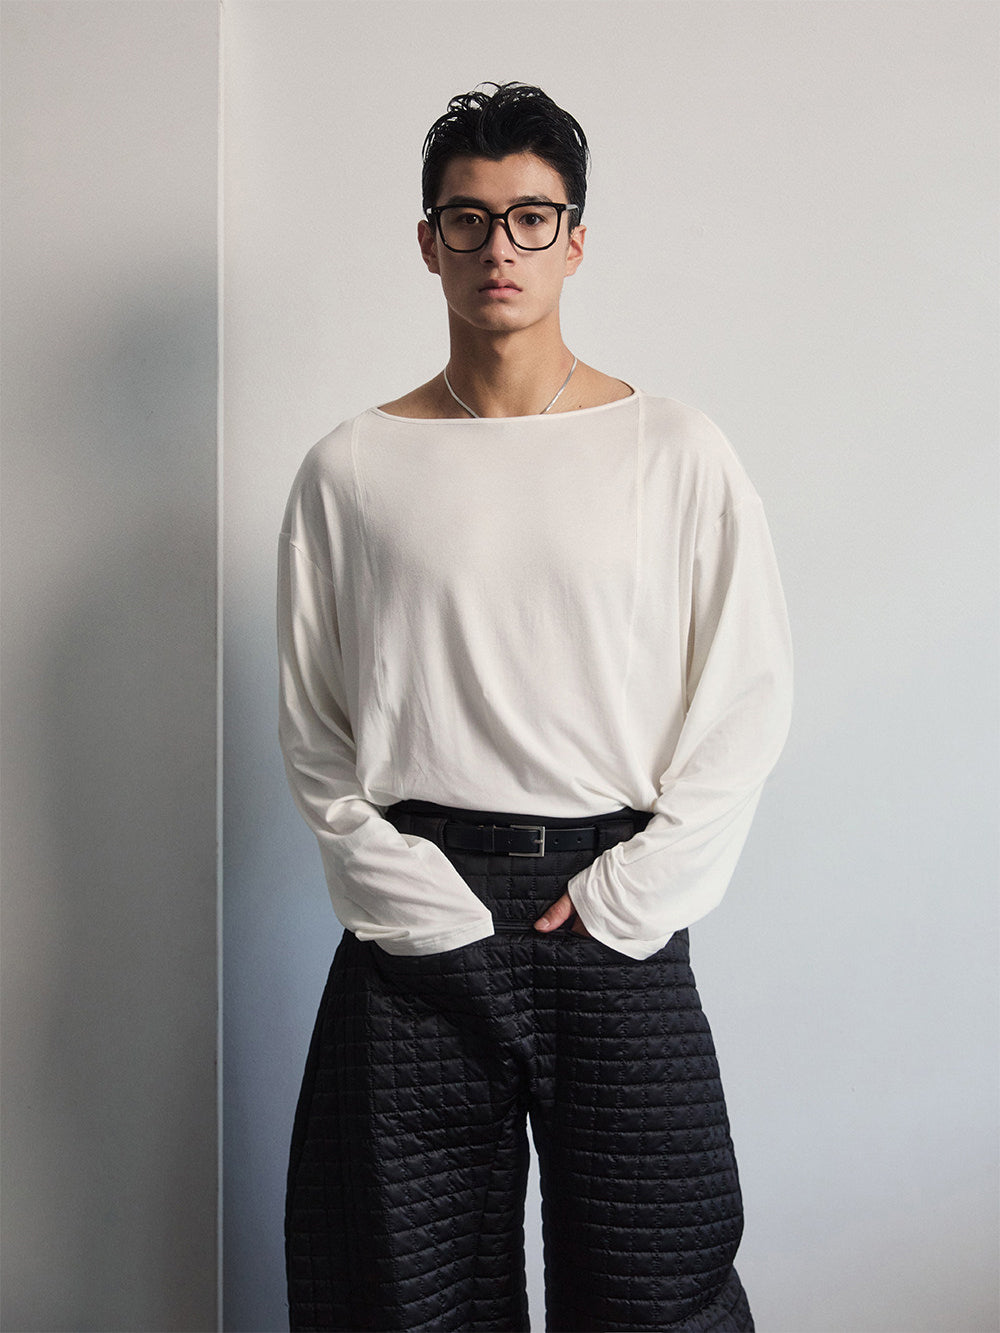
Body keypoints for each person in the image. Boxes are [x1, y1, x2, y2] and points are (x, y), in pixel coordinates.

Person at [278, 81, 792, 1333]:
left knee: (660, 1292)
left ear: (574, 240)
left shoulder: (674, 450)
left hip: (611, 907)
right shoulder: (351, 467)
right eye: (466, 218)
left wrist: (633, 895)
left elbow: (746, 695)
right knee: (404, 1296)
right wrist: (407, 896)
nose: (496, 247)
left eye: (528, 217)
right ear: (427, 241)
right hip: (420, 915)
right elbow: (314, 729)